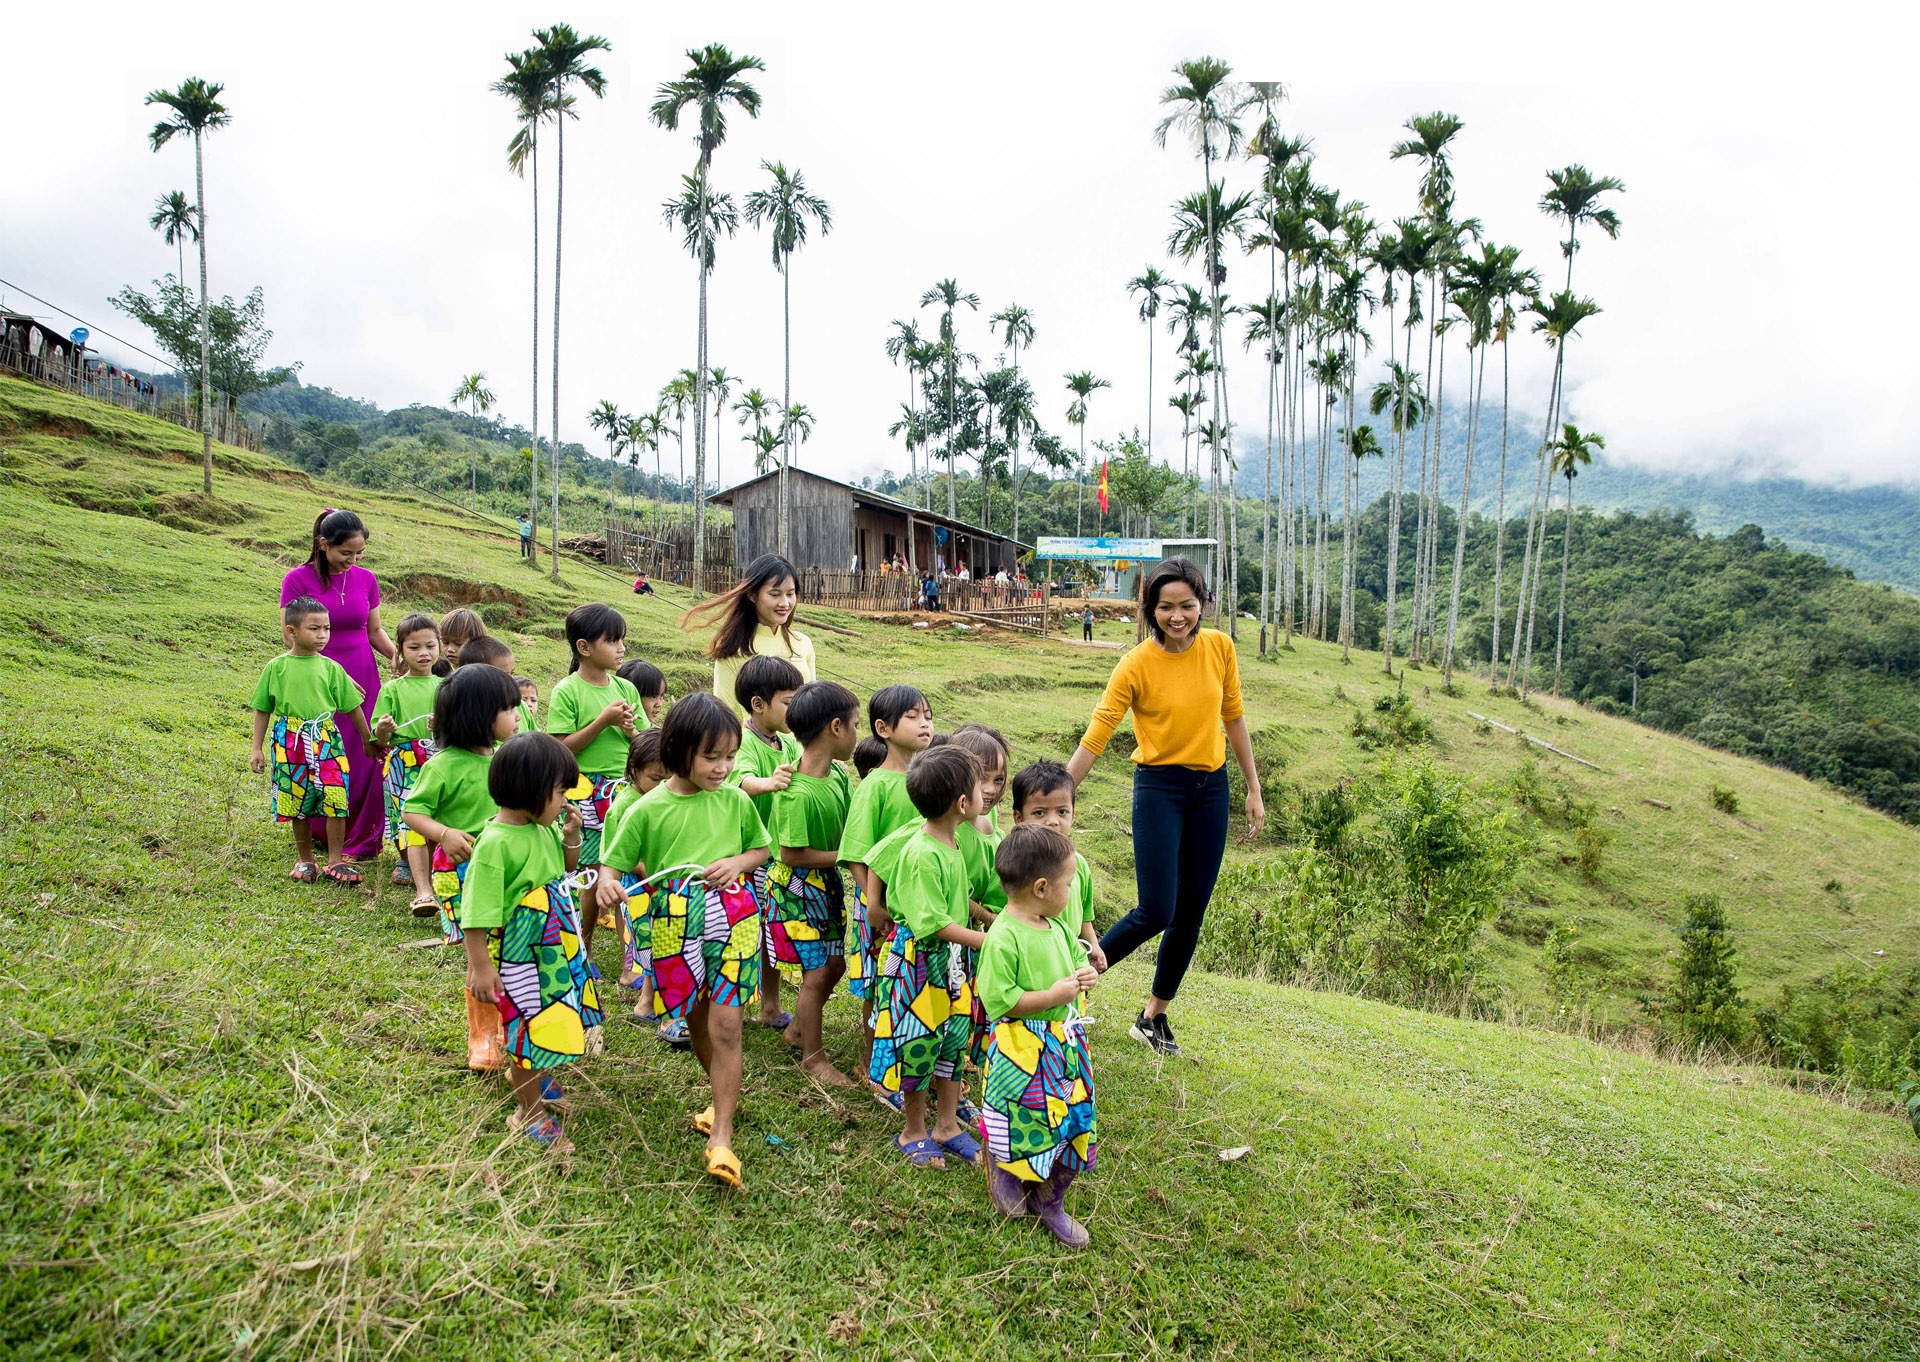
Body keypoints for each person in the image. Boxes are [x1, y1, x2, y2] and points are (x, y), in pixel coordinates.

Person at [1064, 557, 1264, 1058]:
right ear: (1151, 609)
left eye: (1188, 606)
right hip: (1159, 787)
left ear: (1203, 604)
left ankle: (1153, 1016)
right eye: (1166, 607)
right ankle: (1072, 979)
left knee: (1191, 912)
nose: (1178, 616)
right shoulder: (1136, 663)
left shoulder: (1220, 647)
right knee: (1157, 908)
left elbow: (1234, 717)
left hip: (1211, 789)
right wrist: (1058, 797)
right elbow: (1100, 729)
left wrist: (1252, 787)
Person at [594, 693, 771, 1188]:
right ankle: (719, 1101)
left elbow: (760, 847)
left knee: (728, 1025)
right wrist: (608, 882)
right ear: (678, 750)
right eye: (711, 756)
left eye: (730, 756)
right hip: (673, 920)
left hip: (733, 917)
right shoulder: (649, 809)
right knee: (696, 1019)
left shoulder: (736, 798)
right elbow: (614, 861)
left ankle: (724, 1132)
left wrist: (737, 863)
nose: (723, 767)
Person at [460, 732, 598, 1152]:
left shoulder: (541, 827)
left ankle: (542, 1081)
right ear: (530, 788)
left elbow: (564, 868)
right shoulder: (495, 844)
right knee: (524, 1031)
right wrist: (481, 967)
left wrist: (571, 834)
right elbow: (476, 915)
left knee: (551, 1015)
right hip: (522, 956)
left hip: (554, 948)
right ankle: (527, 1112)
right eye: (559, 792)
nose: (563, 801)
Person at [977, 824, 1101, 1246]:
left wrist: (1083, 977)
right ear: (1043, 887)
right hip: (1022, 1051)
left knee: (1072, 1120)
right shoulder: (1004, 935)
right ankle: (1006, 1169)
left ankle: (1051, 1197)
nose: (1072, 891)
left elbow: (1071, 969)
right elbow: (998, 1001)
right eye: (1069, 884)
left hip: (1065, 1047)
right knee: (1023, 1118)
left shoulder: (1058, 929)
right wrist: (1050, 994)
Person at [866, 746, 986, 1169]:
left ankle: (947, 1125)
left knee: (952, 1042)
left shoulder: (950, 842)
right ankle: (913, 1129)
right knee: (918, 1044)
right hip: (920, 964)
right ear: (962, 803)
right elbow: (932, 923)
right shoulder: (922, 853)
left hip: (950, 964)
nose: (984, 793)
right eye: (978, 787)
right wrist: (985, 941)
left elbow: (957, 905)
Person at [402, 666, 522, 1067]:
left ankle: (513, 1032)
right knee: (481, 956)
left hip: (508, 871)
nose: (518, 715)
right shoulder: (443, 765)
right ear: (480, 715)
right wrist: (444, 833)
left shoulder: (510, 759)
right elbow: (412, 811)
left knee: (511, 950)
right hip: (461, 872)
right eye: (509, 708)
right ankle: (484, 1038)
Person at [279, 509, 396, 862]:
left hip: (363, 674)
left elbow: (373, 630)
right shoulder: (296, 580)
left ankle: (362, 841)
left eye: (358, 554)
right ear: (323, 544)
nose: (352, 561)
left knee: (366, 756)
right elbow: (292, 640)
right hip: (319, 681)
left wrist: (396, 656)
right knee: (326, 756)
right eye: (346, 553)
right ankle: (322, 833)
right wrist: (335, 676)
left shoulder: (366, 580)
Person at [837, 684, 935, 1094]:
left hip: (922, 909)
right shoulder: (875, 785)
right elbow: (859, 854)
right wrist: (874, 904)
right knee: (877, 984)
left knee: (915, 983)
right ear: (883, 728)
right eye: (913, 716)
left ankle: (916, 1061)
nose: (925, 723)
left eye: (928, 715)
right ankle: (870, 1060)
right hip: (880, 910)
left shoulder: (933, 781)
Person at [766, 680, 861, 1085]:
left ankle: (797, 1029)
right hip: (797, 889)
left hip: (826, 888)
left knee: (834, 963)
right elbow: (790, 853)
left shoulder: (838, 777)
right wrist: (849, 857)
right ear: (835, 728)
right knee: (818, 971)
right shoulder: (795, 792)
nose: (859, 733)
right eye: (856, 724)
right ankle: (813, 1058)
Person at [249, 597, 373, 885]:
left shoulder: (331, 668)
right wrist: (256, 748)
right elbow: (262, 708)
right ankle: (305, 860)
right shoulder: (275, 668)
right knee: (296, 800)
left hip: (326, 739)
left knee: (336, 796)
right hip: (288, 741)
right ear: (291, 631)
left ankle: (335, 861)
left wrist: (368, 740)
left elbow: (353, 706)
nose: (322, 635)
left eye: (326, 629)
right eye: (314, 628)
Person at [728, 655, 804, 1036]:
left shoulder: (786, 743)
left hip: (777, 855)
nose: (796, 708)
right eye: (789, 702)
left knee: (772, 931)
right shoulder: (742, 742)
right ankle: (736, 1004)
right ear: (759, 705)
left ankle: (770, 1005)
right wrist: (768, 782)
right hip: (749, 856)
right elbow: (738, 782)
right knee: (745, 932)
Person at [546, 603, 645, 872]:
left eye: (622, 639)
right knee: (588, 864)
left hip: (625, 786)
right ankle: (587, 915)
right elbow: (560, 748)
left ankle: (615, 913)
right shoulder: (567, 691)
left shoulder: (626, 688)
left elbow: (645, 742)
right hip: (583, 789)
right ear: (584, 647)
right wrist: (603, 722)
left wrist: (630, 731)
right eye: (612, 641)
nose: (621, 647)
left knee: (625, 858)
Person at [685, 553, 817, 720]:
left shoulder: (803, 643)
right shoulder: (733, 651)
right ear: (752, 595)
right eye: (775, 594)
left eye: (790, 594)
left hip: (802, 745)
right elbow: (722, 717)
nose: (785, 603)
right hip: (754, 745)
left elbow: (813, 708)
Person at [368, 613, 442, 909]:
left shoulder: (447, 686)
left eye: (429, 645)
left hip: (440, 760)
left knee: (439, 817)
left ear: (438, 646)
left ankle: (438, 877)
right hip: (403, 762)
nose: (423, 653)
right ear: (399, 651)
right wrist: (383, 731)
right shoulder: (392, 690)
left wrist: (445, 726)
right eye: (414, 647)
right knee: (411, 820)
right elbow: (379, 739)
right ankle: (423, 891)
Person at [1008, 759, 1105, 969]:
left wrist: (1093, 945)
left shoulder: (1078, 864)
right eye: (1040, 813)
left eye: (1062, 812)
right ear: (1018, 817)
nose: (1053, 821)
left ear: (1073, 814)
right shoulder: (1013, 866)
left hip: (1070, 962)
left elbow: (1084, 918)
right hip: (1030, 964)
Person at [603, 728, 668, 1024]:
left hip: (659, 881)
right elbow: (622, 857)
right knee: (648, 941)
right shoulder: (624, 806)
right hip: (639, 887)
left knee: (660, 940)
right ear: (633, 770)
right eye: (655, 779)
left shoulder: (661, 800)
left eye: (667, 779)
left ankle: (649, 1002)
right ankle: (645, 1003)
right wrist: (652, 869)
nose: (661, 787)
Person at [435, 608, 487, 679]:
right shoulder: (438, 671)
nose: (450, 649)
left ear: (477, 643)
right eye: (445, 642)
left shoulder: (480, 677)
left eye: (458, 644)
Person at [617, 659, 669, 727]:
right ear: (632, 695)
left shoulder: (655, 732)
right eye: (653, 696)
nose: (659, 704)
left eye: (661, 696)